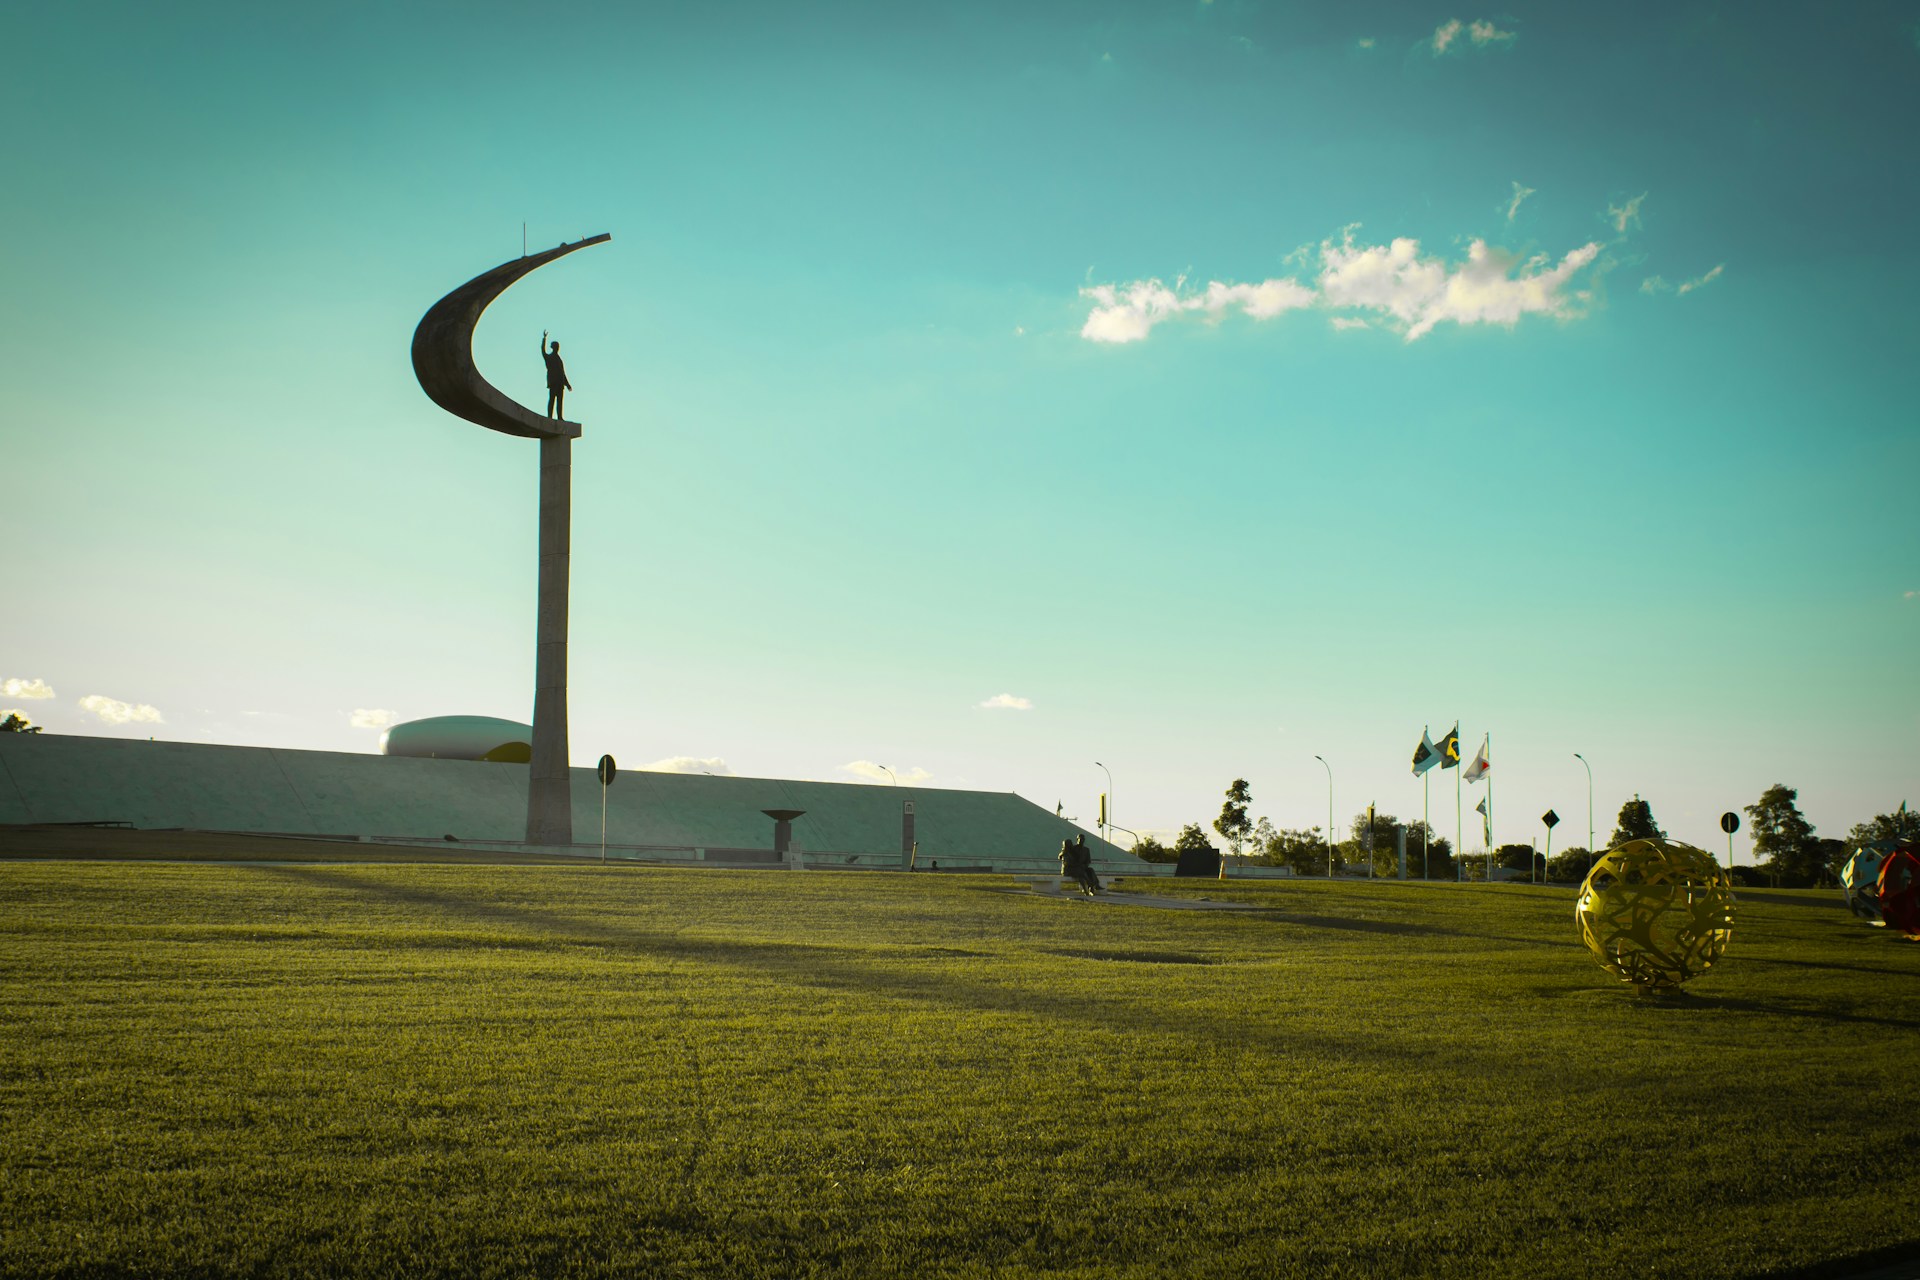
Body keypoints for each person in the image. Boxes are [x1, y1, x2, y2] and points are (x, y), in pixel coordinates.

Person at [541, 330, 572, 419]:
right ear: (553, 347)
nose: (557, 348)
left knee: (559, 401)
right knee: (552, 400)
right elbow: (543, 351)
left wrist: (567, 384)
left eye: (558, 347)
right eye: (556, 346)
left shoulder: (559, 359)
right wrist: (544, 339)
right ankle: (550, 416)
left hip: (560, 383)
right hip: (554, 382)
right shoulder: (549, 357)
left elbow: (562, 373)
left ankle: (560, 417)